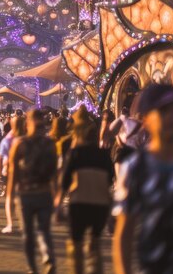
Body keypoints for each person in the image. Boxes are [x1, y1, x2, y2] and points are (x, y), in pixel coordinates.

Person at [113, 84, 173, 274]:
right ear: (147, 120)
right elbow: (124, 233)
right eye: (163, 111)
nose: (172, 117)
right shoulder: (135, 169)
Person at [56, 117, 114, 274]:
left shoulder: (76, 153)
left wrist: (59, 205)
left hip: (79, 204)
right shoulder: (104, 155)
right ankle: (95, 270)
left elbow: (65, 181)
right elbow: (110, 180)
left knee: (76, 245)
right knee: (95, 244)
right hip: (100, 206)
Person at [7, 109, 57, 274]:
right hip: (44, 193)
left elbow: (13, 173)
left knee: (28, 234)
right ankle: (47, 255)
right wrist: (56, 195)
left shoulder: (19, 143)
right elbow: (54, 173)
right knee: (44, 230)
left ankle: (32, 268)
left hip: (25, 195)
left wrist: (10, 195)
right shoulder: (50, 144)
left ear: (27, 123)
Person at [0, 114, 26, 233]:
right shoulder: (27, 138)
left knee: (10, 196)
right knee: (23, 196)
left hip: (9, 170)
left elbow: (0, 157)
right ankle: (23, 223)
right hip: (25, 171)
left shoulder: (7, 139)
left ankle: (10, 223)